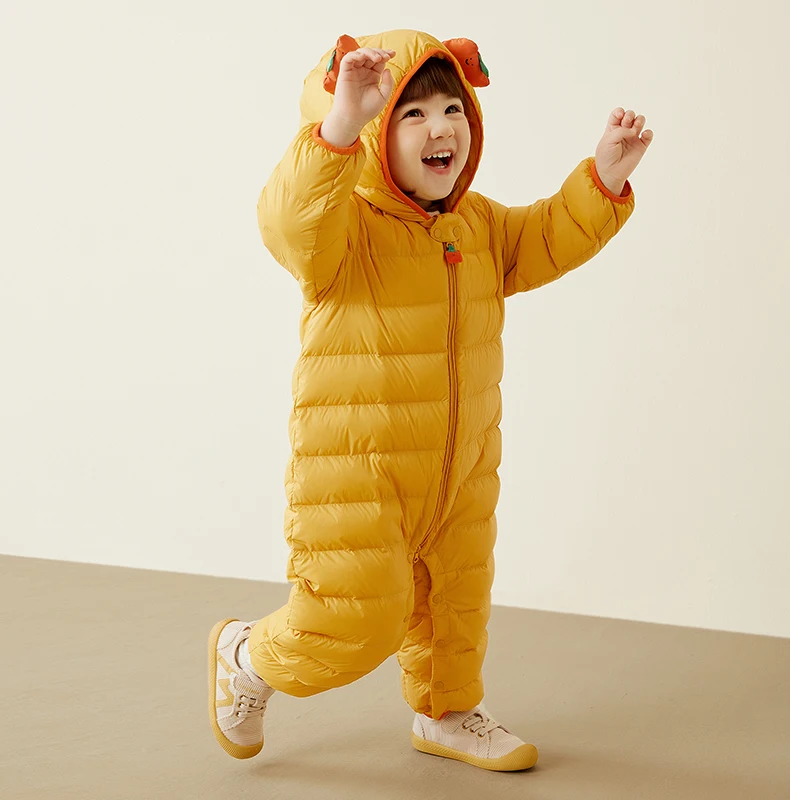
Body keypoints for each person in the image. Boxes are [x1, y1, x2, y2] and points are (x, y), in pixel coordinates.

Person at [208, 28, 653, 772]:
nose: (441, 127)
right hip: (359, 472)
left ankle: (447, 713)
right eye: (412, 115)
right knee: (353, 621)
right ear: (375, 135)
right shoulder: (343, 231)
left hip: (461, 467)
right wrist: (339, 124)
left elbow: (545, 237)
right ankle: (246, 656)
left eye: (452, 109)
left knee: (456, 607)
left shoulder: (475, 226)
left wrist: (601, 180)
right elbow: (290, 221)